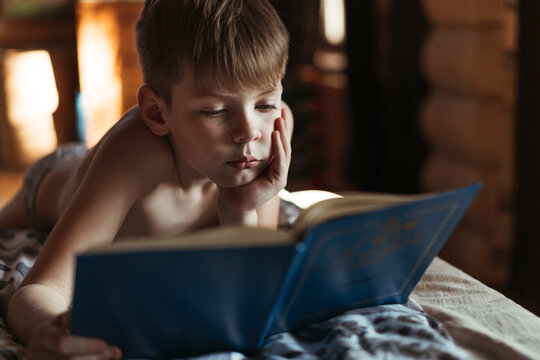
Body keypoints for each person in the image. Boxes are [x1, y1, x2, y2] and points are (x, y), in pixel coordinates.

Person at [0, 0, 292, 358]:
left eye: (265, 104)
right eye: (214, 111)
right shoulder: (136, 154)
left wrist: (240, 206)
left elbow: (249, 289)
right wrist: (53, 333)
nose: (249, 133)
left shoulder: (274, 129)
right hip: (53, 182)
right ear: (157, 111)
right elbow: (38, 291)